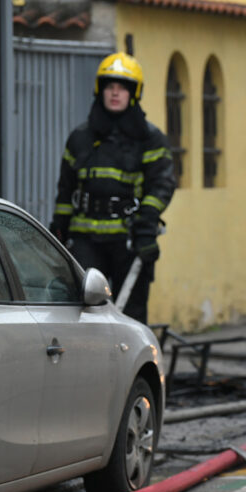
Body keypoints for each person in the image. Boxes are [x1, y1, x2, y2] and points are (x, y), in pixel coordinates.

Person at [50, 52, 175, 324]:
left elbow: (161, 185)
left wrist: (146, 228)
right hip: (84, 239)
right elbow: (66, 189)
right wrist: (59, 228)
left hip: (129, 240)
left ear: (134, 93)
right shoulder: (80, 138)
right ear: (100, 90)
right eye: (110, 86)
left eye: (122, 87)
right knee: (81, 311)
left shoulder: (150, 139)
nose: (115, 93)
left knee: (131, 314)